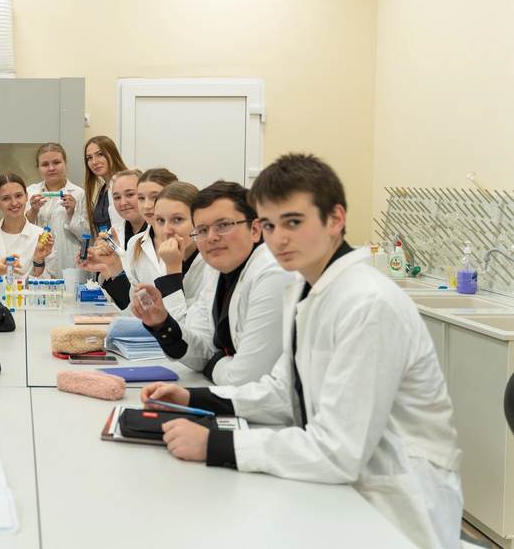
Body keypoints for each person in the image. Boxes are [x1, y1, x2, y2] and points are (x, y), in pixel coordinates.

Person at [138, 154, 462, 549]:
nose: (279, 238)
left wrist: (215, 443)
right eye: (270, 225)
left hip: (395, 507)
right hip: (338, 489)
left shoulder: (368, 303)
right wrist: (193, 399)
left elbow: (339, 449)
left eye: (293, 222)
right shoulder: (308, 290)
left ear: (335, 219)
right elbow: (282, 394)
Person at [131, 181, 295, 386]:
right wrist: (163, 324)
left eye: (223, 225)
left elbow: (244, 379)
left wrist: (213, 363)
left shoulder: (273, 274)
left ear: (254, 229)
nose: (211, 237)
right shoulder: (216, 270)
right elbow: (202, 350)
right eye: (202, 229)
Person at [78, 169, 179, 310]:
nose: (147, 205)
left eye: (130, 195)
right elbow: (131, 301)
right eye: (142, 198)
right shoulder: (132, 241)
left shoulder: (185, 240)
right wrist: (109, 266)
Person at [26, 142, 88, 278]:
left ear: (65, 163)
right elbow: (22, 231)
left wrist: (72, 214)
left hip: (70, 264)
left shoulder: (79, 194)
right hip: (39, 263)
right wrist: (33, 211)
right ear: (38, 167)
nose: (51, 168)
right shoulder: (30, 192)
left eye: (56, 162)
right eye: (45, 164)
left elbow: (87, 237)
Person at [0, 173, 56, 281]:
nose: (14, 203)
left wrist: (38, 261)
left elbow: (48, 284)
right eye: (6, 198)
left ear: (26, 196)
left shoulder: (41, 237)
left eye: (18, 196)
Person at [83, 135, 128, 236]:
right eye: (89, 158)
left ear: (112, 154)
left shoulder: (126, 184)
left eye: (100, 154)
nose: (94, 162)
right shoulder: (102, 191)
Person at [107, 169, 145, 251]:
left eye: (130, 194)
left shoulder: (161, 232)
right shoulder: (113, 232)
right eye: (117, 197)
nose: (123, 203)